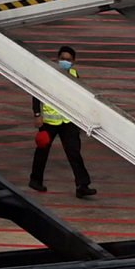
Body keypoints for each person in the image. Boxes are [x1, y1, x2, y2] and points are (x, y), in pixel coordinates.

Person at [30, 48, 94, 199]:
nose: (65, 61)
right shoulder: (48, 74)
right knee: (42, 151)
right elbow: (35, 93)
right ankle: (35, 180)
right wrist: (37, 114)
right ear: (58, 58)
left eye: (69, 59)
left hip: (68, 120)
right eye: (63, 58)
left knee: (74, 152)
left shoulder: (74, 74)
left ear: (73, 62)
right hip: (49, 121)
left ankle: (82, 185)